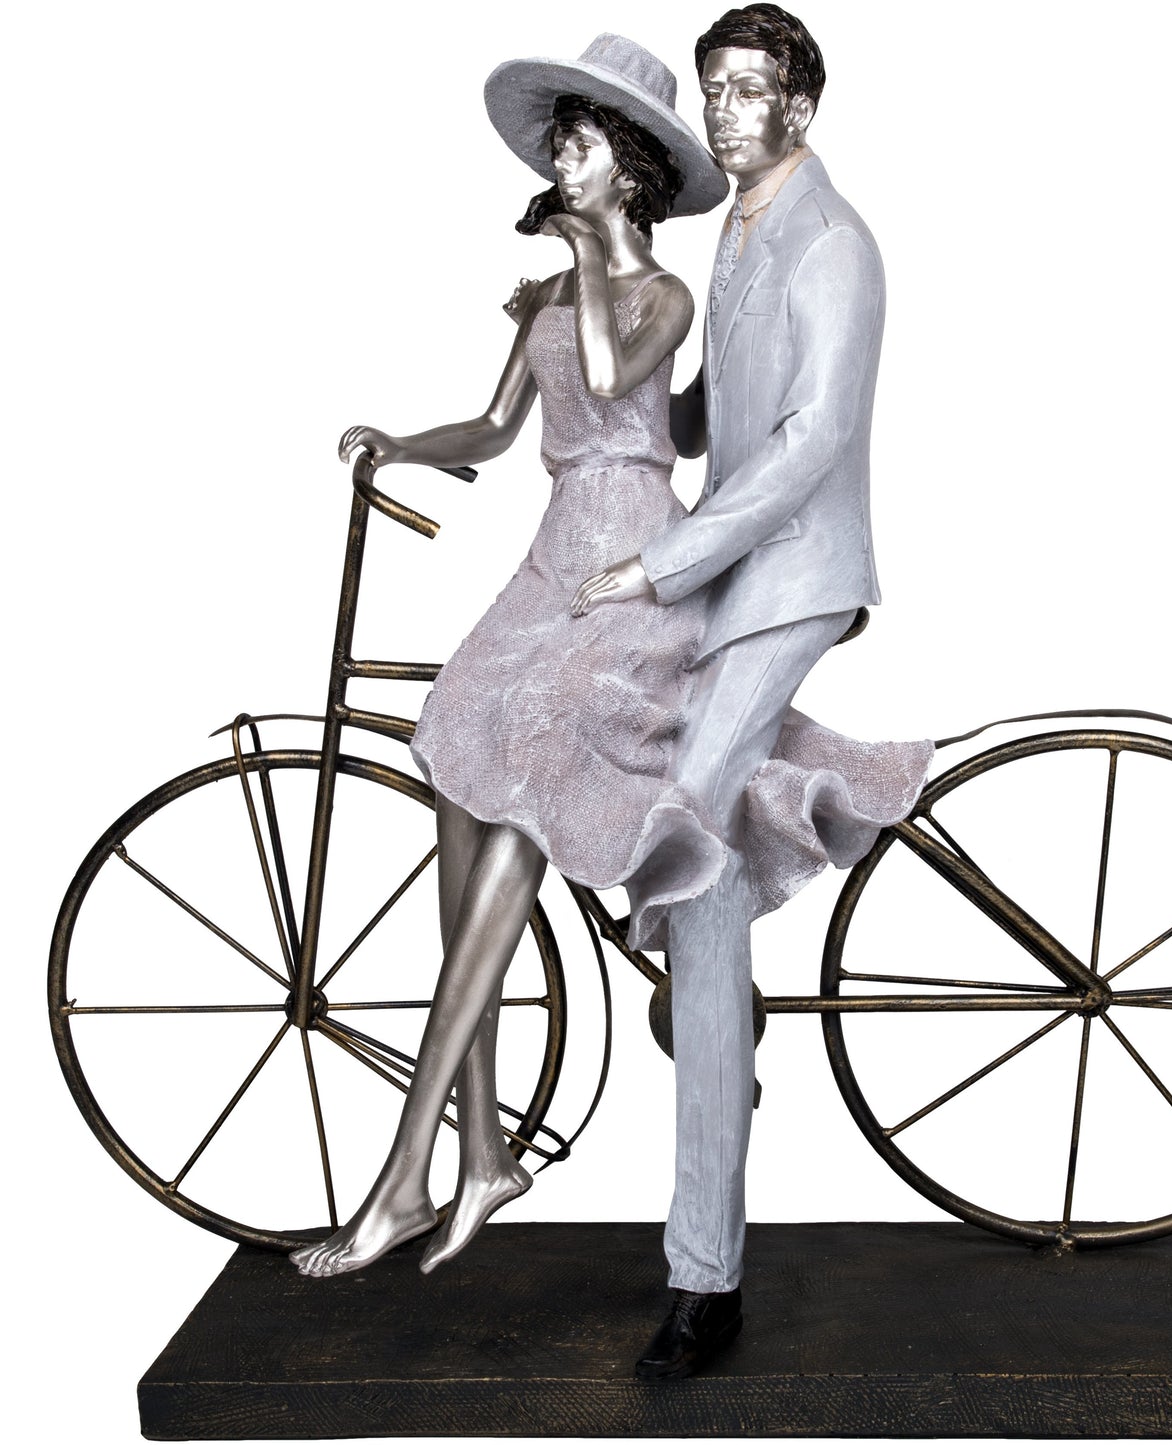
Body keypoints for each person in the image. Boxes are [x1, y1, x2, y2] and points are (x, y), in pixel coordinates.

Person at [290, 32, 729, 1279]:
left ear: (629, 167)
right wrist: (399, 442)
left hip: (633, 563)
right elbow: (494, 426)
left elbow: (611, 372)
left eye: (577, 144)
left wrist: (583, 256)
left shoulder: (659, 296)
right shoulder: (547, 295)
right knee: (454, 746)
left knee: (530, 769)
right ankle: (482, 1151)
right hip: (549, 558)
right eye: (558, 144)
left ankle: (402, 1174)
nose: (557, 159)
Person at [574, 7, 931, 1380]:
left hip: (791, 574)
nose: (722, 112)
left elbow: (806, 441)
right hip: (728, 571)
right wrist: (603, 393)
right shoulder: (734, 233)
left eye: (748, 90)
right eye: (711, 89)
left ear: (801, 107)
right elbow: (706, 414)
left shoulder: (833, 243)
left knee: (689, 855)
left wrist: (659, 561)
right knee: (645, 802)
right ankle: (715, 1010)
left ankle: (704, 1273)